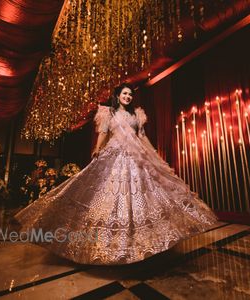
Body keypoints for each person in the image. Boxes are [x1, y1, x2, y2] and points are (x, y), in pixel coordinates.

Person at [15, 83, 218, 265]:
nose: (128, 97)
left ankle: (140, 243)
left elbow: (142, 137)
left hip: (136, 157)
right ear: (118, 95)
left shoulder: (136, 115)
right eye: (124, 93)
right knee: (105, 194)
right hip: (114, 154)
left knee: (144, 194)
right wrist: (97, 148)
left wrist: (153, 154)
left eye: (130, 94)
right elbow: (103, 133)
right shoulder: (109, 113)